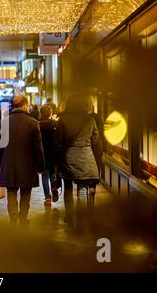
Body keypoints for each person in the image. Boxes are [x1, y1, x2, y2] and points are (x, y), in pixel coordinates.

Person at [0, 96, 45, 226]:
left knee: (11, 192)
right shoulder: (33, 123)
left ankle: (13, 219)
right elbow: (38, 148)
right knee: (25, 193)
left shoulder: (4, 122)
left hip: (9, 164)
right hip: (28, 165)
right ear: (25, 106)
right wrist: (40, 167)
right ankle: (23, 219)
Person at [55, 93, 102, 226]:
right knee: (82, 188)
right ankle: (80, 220)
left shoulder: (62, 120)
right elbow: (96, 141)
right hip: (86, 157)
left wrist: (57, 161)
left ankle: (69, 218)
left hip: (68, 157)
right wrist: (96, 159)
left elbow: (58, 143)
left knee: (68, 188)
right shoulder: (90, 120)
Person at [39, 105, 59, 206]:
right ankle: (54, 189)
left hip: (43, 155)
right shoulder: (56, 124)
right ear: (51, 114)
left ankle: (47, 197)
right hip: (54, 154)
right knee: (53, 175)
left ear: (41, 114)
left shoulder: (38, 125)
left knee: (44, 176)